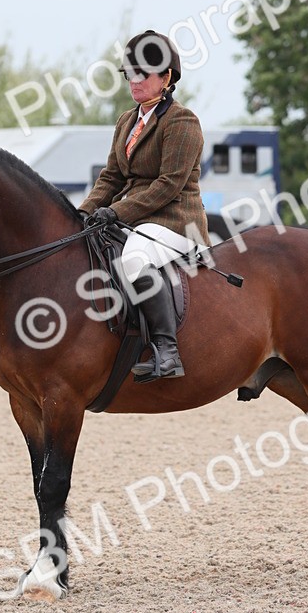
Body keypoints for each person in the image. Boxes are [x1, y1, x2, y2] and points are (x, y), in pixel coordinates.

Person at [79, 29, 208, 381]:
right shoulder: (127, 121)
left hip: (176, 222)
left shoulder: (182, 122)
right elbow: (111, 178)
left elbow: (168, 185)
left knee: (134, 258)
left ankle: (167, 351)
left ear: (166, 77)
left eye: (143, 74)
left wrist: (116, 212)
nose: (134, 81)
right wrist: (81, 214)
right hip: (136, 221)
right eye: (129, 74)